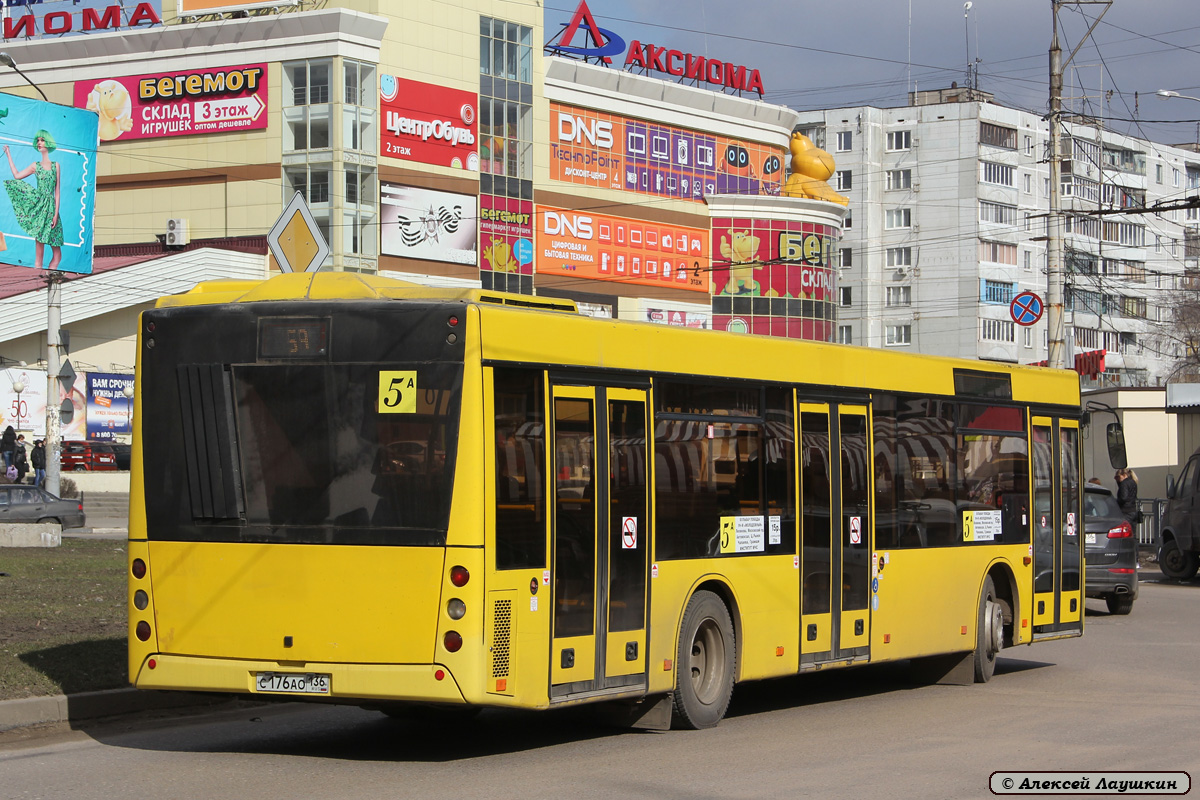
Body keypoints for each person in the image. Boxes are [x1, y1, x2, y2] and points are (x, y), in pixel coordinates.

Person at [4, 129, 63, 271]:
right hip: (39, 208)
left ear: (48, 142)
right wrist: (8, 154)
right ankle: (39, 283)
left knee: (57, 253)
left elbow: (57, 192)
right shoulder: (35, 165)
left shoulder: (56, 165)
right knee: (39, 251)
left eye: (42, 140)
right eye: (38, 140)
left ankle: (50, 277)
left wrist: (55, 214)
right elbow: (17, 176)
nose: (39, 143)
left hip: (52, 210)